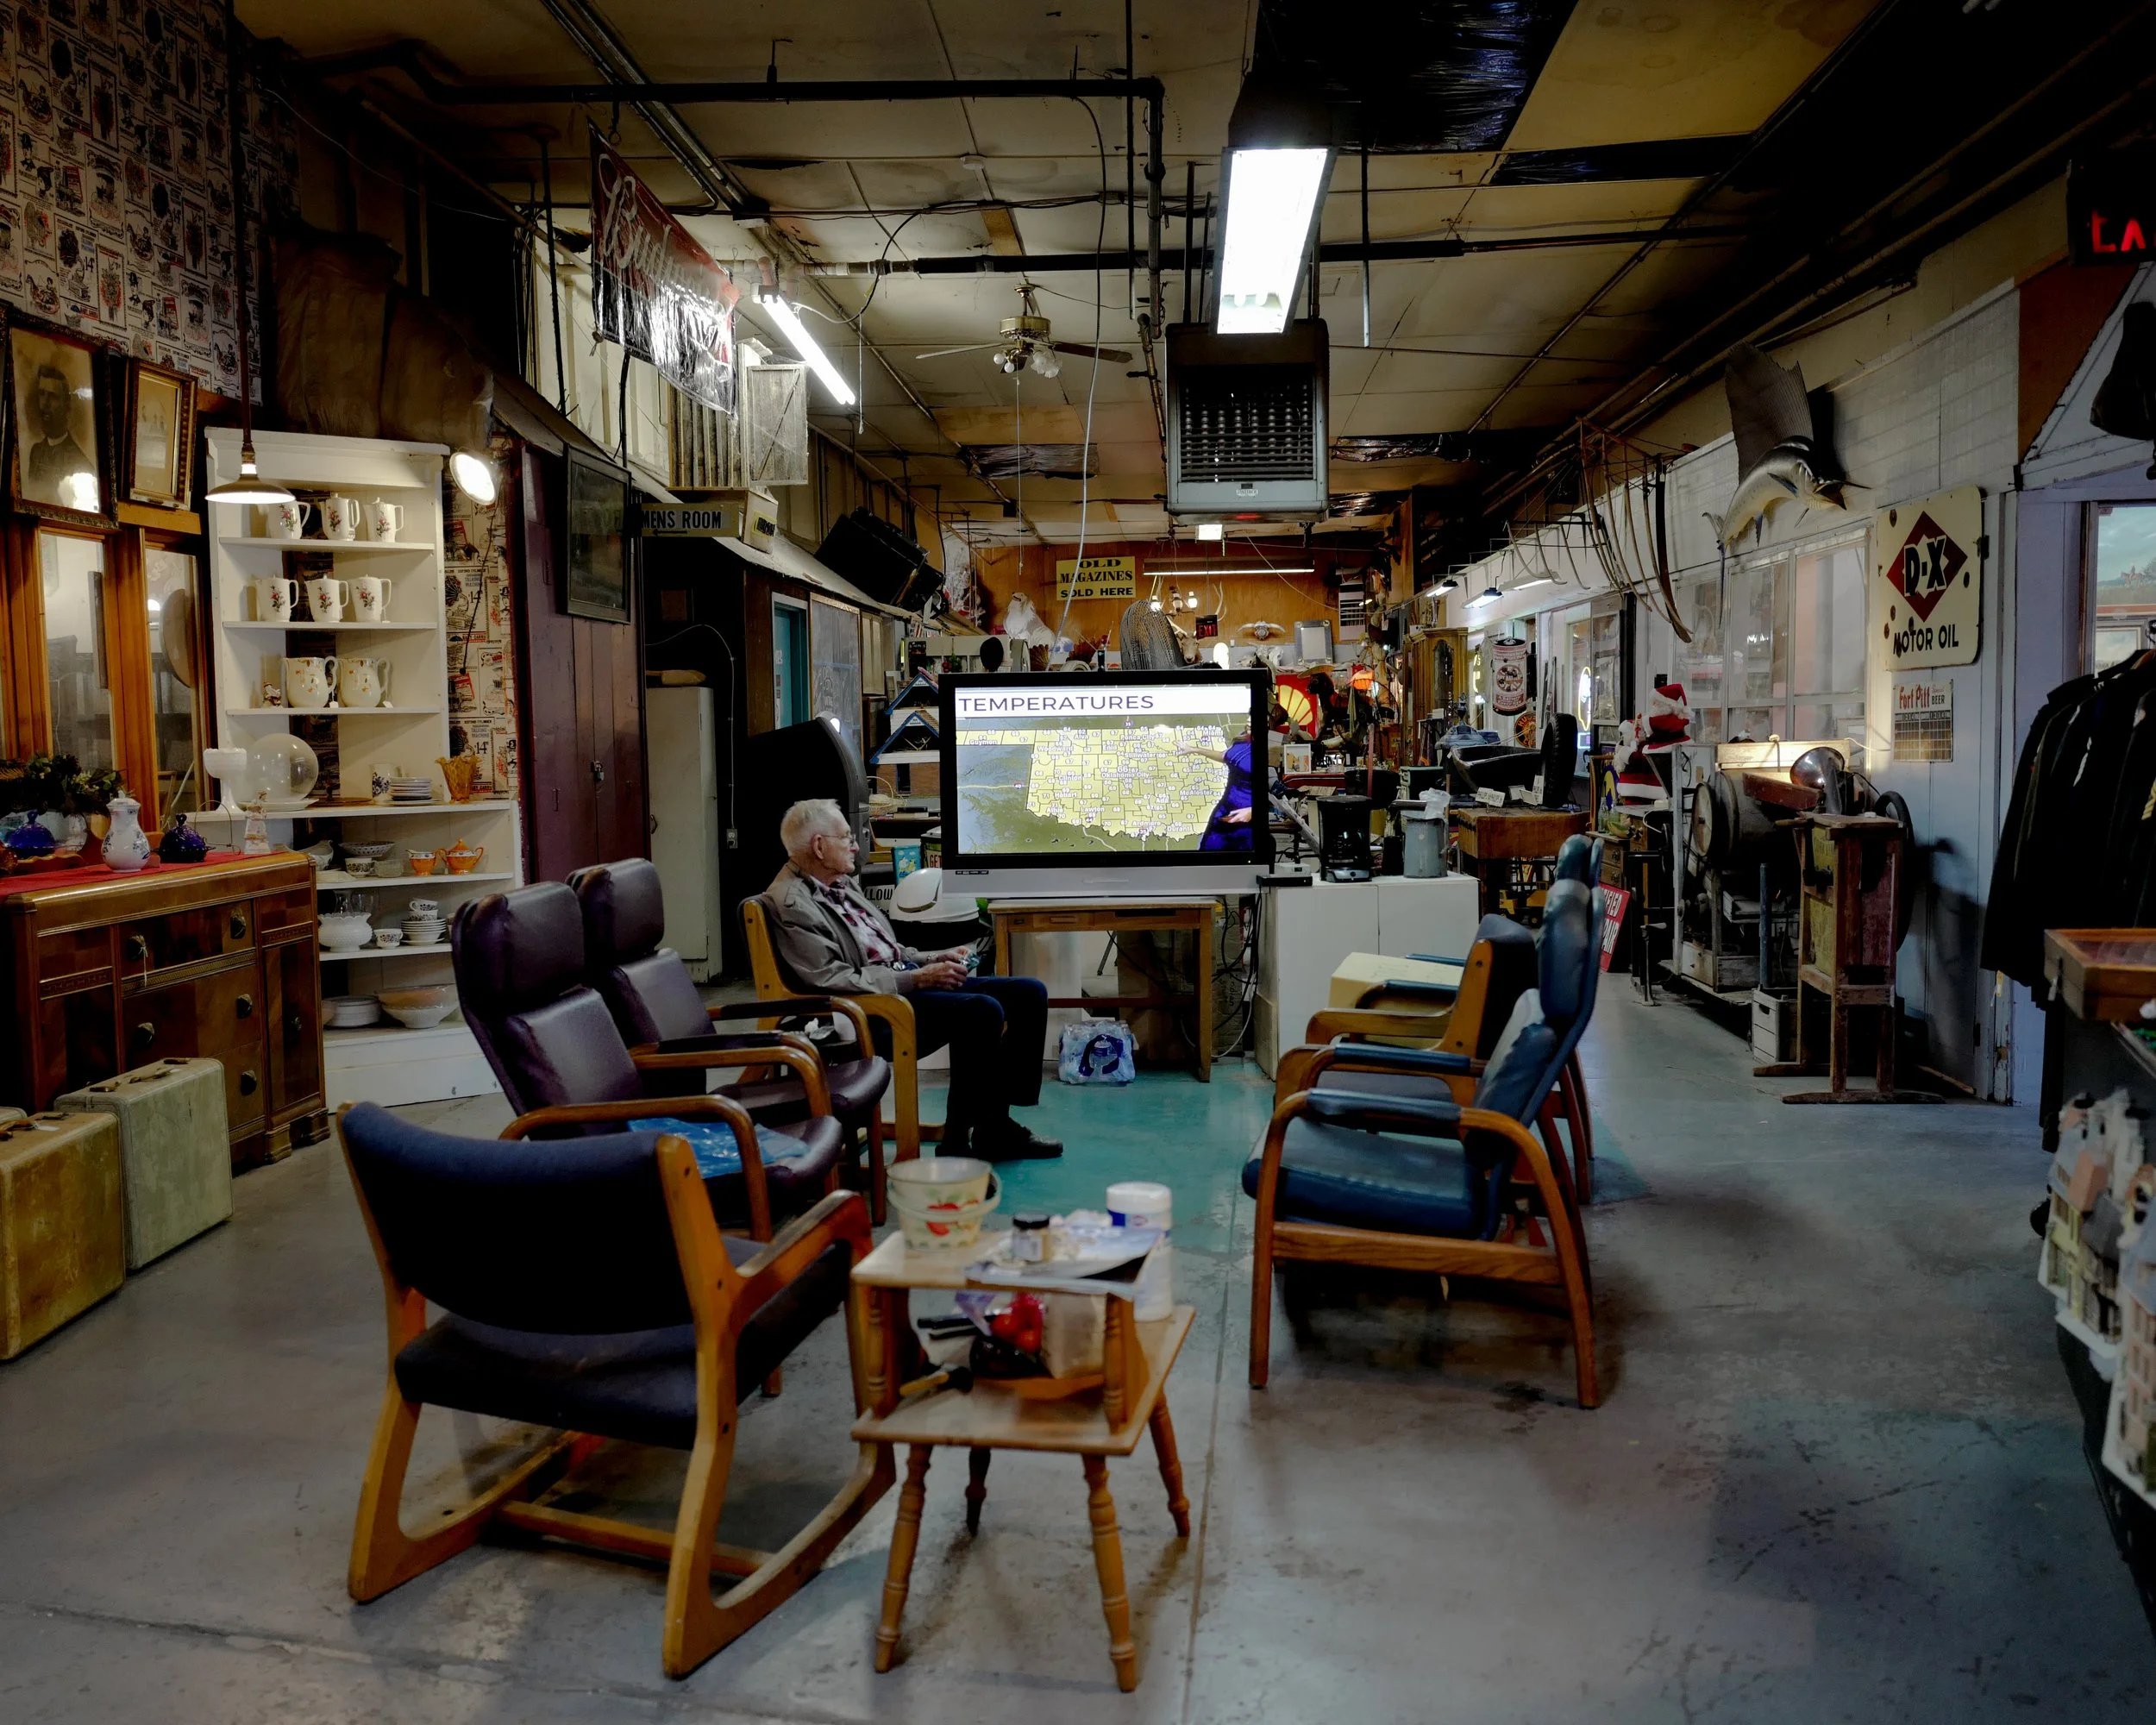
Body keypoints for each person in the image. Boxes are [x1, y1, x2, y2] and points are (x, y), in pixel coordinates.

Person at [766, 799, 1062, 1162]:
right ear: (818, 846)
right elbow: (831, 979)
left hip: (898, 986)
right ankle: (956, 1144)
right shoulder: (793, 903)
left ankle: (994, 1126)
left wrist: (931, 959)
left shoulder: (840, 884)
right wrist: (916, 980)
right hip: (869, 1011)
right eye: (846, 838)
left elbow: (885, 949)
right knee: (981, 1011)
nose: (855, 846)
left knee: (1027, 993)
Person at [24, 362, 94, 507]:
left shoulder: (80, 465)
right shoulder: (36, 452)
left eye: (53, 396)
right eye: (42, 394)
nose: (45, 403)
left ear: (67, 404)